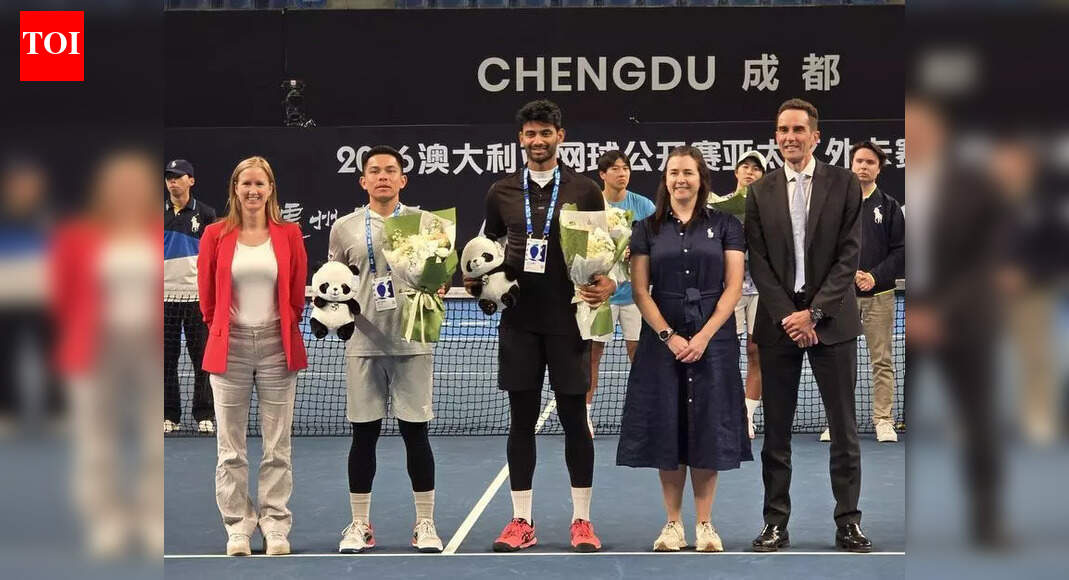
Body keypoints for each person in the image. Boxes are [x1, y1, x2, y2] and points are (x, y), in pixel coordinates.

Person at [465, 99, 613, 553]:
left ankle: (582, 521)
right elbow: (486, 248)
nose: (538, 141)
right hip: (520, 323)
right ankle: (521, 521)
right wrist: (476, 281)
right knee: (521, 422)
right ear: (520, 139)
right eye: (530, 133)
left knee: (575, 421)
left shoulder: (586, 190)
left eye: (545, 133)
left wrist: (609, 282)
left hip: (569, 322)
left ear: (560, 136)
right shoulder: (501, 192)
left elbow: (604, 250)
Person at [745, 98, 871, 553]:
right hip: (780, 325)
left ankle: (848, 522)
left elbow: (848, 255)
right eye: (783, 130)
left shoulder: (845, 183)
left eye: (798, 129)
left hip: (831, 323)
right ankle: (775, 522)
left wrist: (814, 313)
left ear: (816, 136)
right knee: (776, 434)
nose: (790, 137)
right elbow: (758, 260)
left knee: (844, 430)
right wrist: (789, 315)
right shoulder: (760, 191)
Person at [616, 146, 752, 552]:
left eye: (688, 172)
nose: (680, 179)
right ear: (665, 180)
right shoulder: (646, 228)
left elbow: (733, 287)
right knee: (668, 427)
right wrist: (668, 336)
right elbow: (641, 290)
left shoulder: (727, 225)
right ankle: (672, 524)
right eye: (673, 172)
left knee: (708, 427)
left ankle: (705, 524)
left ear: (701, 178)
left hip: (715, 339)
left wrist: (704, 336)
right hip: (663, 342)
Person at [328, 145, 443, 554]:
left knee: (416, 435)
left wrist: (437, 282)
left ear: (402, 179)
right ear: (363, 181)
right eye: (374, 171)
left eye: (390, 170)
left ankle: (425, 523)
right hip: (363, 343)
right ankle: (360, 524)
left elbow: (439, 277)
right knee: (363, 436)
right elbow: (334, 281)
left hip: (413, 340)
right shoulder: (343, 227)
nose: (382, 176)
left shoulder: (426, 224)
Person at [197, 156, 308, 557]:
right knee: (230, 449)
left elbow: (296, 293)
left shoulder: (290, 234)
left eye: (260, 184)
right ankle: (238, 528)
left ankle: (275, 525)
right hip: (231, 347)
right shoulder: (214, 234)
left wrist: (278, 327)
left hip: (278, 347)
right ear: (235, 188)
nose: (253, 190)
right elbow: (207, 298)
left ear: (270, 189)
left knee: (278, 446)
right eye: (246, 183)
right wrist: (226, 329)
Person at [820, 141, 903, 443]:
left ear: (879, 169)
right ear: (851, 165)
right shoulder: (836, 205)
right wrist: (848, 275)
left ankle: (883, 419)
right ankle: (838, 422)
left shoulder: (889, 206)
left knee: (881, 361)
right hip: (842, 297)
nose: (864, 167)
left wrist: (874, 276)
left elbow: (901, 250)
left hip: (879, 296)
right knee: (840, 361)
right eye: (859, 161)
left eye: (870, 162)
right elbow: (825, 247)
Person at [586, 150, 655, 437]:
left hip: (636, 296)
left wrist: (636, 250)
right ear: (602, 174)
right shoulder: (592, 205)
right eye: (614, 168)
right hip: (600, 297)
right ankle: (584, 414)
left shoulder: (643, 206)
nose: (622, 173)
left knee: (639, 356)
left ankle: (645, 415)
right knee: (592, 355)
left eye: (625, 168)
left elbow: (659, 240)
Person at [708, 150, 767, 439]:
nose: (750, 172)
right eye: (745, 166)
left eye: (756, 169)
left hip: (761, 290)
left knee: (756, 351)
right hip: (728, 290)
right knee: (725, 351)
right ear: (736, 172)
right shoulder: (719, 207)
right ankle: (724, 412)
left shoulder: (770, 208)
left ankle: (747, 416)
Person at [164, 159, 217, 434]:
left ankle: (204, 413)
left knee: (202, 359)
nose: (172, 181)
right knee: (165, 361)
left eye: (178, 176)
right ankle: (169, 414)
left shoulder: (206, 214)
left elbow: (213, 257)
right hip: (163, 298)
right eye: (169, 177)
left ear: (191, 180)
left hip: (196, 297)